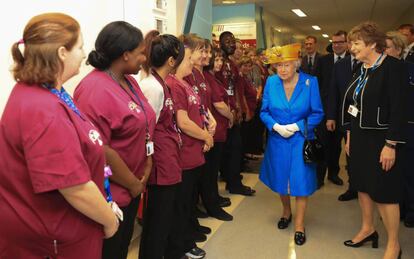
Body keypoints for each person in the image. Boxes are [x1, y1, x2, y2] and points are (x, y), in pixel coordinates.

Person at [0, 12, 119, 258]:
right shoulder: (42, 109)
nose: (84, 54)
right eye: (80, 46)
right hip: (54, 238)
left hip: (58, 229)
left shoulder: (48, 94)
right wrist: (109, 221)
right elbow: (73, 186)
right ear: (62, 53)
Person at [74, 21, 156, 259]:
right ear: (126, 54)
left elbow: (142, 119)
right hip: (114, 193)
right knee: (111, 250)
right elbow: (102, 149)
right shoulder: (93, 89)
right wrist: (132, 183)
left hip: (134, 184)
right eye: (141, 52)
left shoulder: (128, 80)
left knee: (121, 249)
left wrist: (147, 163)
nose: (144, 58)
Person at [342, 22, 407, 259]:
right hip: (359, 137)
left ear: (371, 43)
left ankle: (393, 244)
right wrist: (349, 134)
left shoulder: (393, 68)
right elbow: (353, 104)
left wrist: (391, 145)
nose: (352, 48)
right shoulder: (361, 69)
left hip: (382, 140)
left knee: (384, 191)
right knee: (362, 185)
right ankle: (368, 228)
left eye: (356, 43)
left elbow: (400, 110)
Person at [260, 43, 324, 246]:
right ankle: (286, 212)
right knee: (281, 179)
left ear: (296, 64)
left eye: (286, 65)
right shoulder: (271, 82)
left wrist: (297, 126)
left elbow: (317, 112)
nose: (282, 69)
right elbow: (264, 111)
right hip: (278, 140)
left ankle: (299, 224)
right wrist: (275, 126)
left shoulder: (310, 82)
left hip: (301, 140)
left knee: (301, 182)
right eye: (278, 65)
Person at [137, 31, 185, 259]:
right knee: (158, 220)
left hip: (168, 160)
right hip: (160, 165)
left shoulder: (160, 84)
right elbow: (147, 130)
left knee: (165, 217)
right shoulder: (152, 87)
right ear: (171, 61)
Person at [165, 36, 213, 259]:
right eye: (198, 51)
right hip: (184, 153)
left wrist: (206, 126)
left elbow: (199, 109)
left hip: (194, 151)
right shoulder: (174, 83)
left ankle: (186, 239)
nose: (202, 55)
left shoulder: (185, 81)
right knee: (181, 204)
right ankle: (182, 245)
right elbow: (182, 122)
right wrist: (205, 135)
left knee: (188, 200)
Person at [215, 31, 256, 196]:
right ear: (220, 44)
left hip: (234, 114)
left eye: (233, 42)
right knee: (225, 153)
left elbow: (237, 90)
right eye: (228, 41)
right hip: (222, 116)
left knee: (235, 150)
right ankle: (229, 183)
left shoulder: (232, 65)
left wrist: (241, 109)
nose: (232, 44)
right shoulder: (217, 65)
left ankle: (234, 182)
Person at [326, 48, 362, 201]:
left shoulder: (370, 63)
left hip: (361, 119)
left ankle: (358, 186)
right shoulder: (340, 65)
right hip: (341, 116)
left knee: (355, 154)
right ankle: (352, 188)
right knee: (336, 149)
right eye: (352, 43)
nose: (354, 46)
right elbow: (333, 91)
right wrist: (330, 116)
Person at [316, 30, 349, 188]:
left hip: (344, 111)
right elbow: (317, 84)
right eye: (334, 42)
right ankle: (319, 176)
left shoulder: (352, 60)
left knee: (337, 146)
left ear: (347, 43)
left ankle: (333, 174)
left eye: (340, 42)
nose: (336, 45)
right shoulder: (323, 61)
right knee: (323, 144)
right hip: (324, 110)